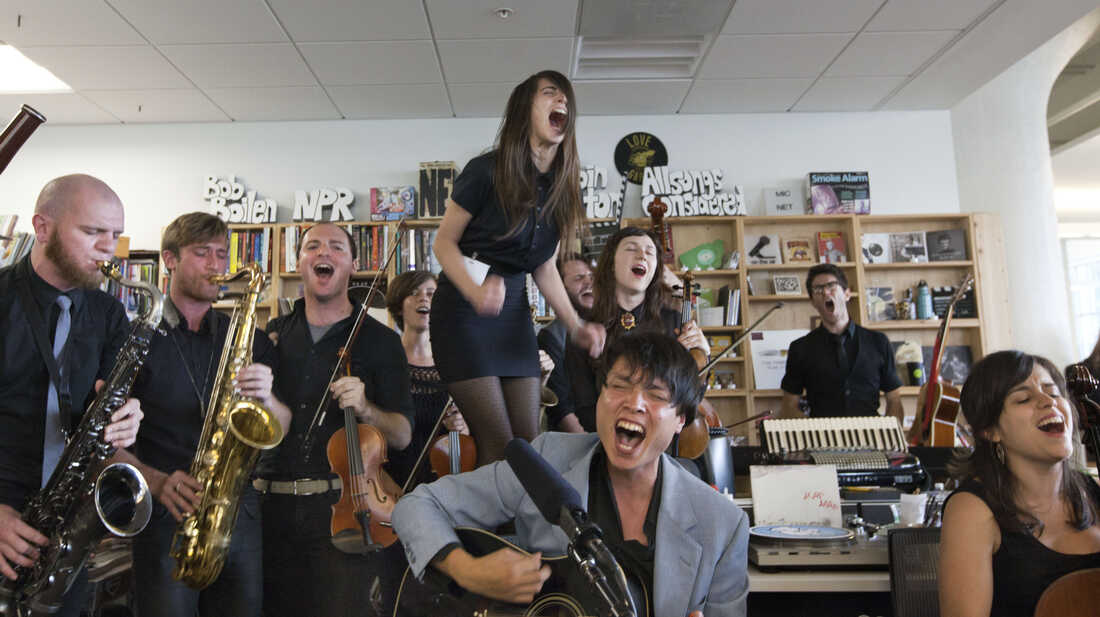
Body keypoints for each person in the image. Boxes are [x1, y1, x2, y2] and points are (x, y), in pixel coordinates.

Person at [393, 332, 748, 617]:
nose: (634, 403)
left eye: (655, 395)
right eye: (620, 385)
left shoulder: (722, 525)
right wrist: (469, 571)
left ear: (680, 420)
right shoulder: (548, 459)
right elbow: (418, 505)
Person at [113, 212, 290, 617]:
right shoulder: (134, 338)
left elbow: (282, 423)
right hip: (167, 510)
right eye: (202, 253)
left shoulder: (249, 337)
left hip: (236, 512)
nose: (216, 266)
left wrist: (269, 399)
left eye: (221, 254)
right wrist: (157, 483)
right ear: (169, 260)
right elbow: (104, 440)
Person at [430, 70, 605, 465]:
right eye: (549, 93)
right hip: (462, 311)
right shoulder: (485, 171)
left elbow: (543, 264)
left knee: (528, 443)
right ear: (525, 109)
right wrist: (475, 292)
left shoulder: (562, 186)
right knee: (498, 444)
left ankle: (521, 526)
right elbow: (442, 243)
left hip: (512, 316)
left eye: (566, 98)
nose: (561, 101)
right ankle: (494, 528)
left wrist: (575, 325)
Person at [0, 174, 143, 614]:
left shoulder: (108, 311)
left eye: (115, 234)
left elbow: (106, 406)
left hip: (63, 531)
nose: (109, 247)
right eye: (92, 231)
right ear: (42, 228)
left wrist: (128, 417)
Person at [258, 222, 415, 617]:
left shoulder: (381, 341)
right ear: (298, 262)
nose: (323, 253)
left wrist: (366, 408)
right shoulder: (273, 335)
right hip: (268, 511)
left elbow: (402, 435)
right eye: (312, 246)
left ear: (353, 265)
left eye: (335, 248)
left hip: (342, 514)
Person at [939, 351, 1100, 617]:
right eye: (1024, 398)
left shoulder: (1092, 493)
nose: (1048, 401)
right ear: (990, 431)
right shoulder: (972, 511)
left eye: (1053, 392)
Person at [555, 227, 709, 433]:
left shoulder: (672, 320)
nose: (642, 255)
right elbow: (583, 404)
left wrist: (703, 356)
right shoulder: (586, 326)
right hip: (604, 437)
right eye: (631, 249)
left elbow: (689, 401)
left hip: (661, 440)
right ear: (610, 264)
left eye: (650, 252)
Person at [781, 264, 903, 422]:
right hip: (823, 440)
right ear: (812, 302)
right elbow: (789, 406)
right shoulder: (800, 348)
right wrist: (813, 432)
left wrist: (890, 435)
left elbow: (894, 399)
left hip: (871, 438)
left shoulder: (878, 342)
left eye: (831, 286)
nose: (825, 292)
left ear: (847, 294)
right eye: (818, 289)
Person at [384, 270, 469, 489]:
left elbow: (477, 428)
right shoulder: (384, 360)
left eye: (431, 293)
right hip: (389, 481)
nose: (424, 298)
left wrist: (462, 428)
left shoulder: (456, 363)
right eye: (414, 293)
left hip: (441, 479)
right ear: (399, 305)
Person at [537, 253, 593, 432]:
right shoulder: (551, 336)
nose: (588, 282)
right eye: (579, 278)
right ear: (558, 289)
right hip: (577, 441)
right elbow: (561, 409)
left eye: (591, 276)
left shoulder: (612, 324)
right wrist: (591, 450)